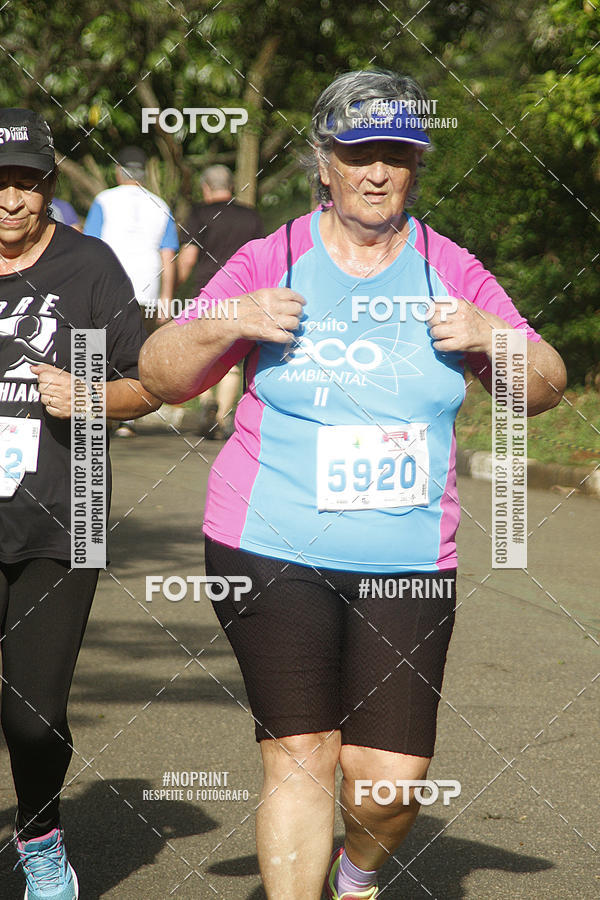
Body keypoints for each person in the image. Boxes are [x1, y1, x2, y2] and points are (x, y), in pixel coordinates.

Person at [138, 69, 567, 900]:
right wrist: (232, 318)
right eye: (358, 153)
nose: (377, 172)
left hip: (406, 552)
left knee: (391, 778)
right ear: (324, 164)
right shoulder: (272, 258)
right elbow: (160, 375)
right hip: (269, 540)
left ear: (415, 166)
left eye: (396, 155)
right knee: (301, 756)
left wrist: (493, 336)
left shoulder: (451, 268)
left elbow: (543, 390)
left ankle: (358, 873)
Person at [0, 108, 161, 899]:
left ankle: (40, 841)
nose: (9, 203)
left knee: (31, 715)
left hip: (69, 513)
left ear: (49, 189)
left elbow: (147, 386)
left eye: (25, 185)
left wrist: (88, 394)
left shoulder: (91, 268)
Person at [84, 146, 178, 436]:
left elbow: (89, 246)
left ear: (117, 171)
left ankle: (97, 412)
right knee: (135, 353)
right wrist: (167, 300)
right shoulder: (161, 204)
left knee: (97, 348)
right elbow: (168, 256)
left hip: (107, 286)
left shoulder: (104, 200)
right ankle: (127, 417)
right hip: (148, 288)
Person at [178, 164, 264, 438]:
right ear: (231, 186)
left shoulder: (198, 214)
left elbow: (188, 257)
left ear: (205, 187)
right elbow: (261, 257)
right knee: (233, 358)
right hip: (242, 293)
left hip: (207, 291)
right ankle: (222, 418)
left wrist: (177, 285)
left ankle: (207, 403)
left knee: (203, 351)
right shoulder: (250, 217)